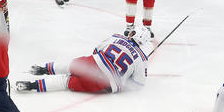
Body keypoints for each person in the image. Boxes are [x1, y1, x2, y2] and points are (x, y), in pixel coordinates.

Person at [15, 28, 150, 93]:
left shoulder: (117, 37)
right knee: (66, 82)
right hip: (106, 84)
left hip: (95, 63)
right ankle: (30, 86)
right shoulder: (142, 59)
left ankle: (43, 69)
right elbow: (138, 85)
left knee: (70, 66)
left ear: (133, 34)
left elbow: (96, 50)